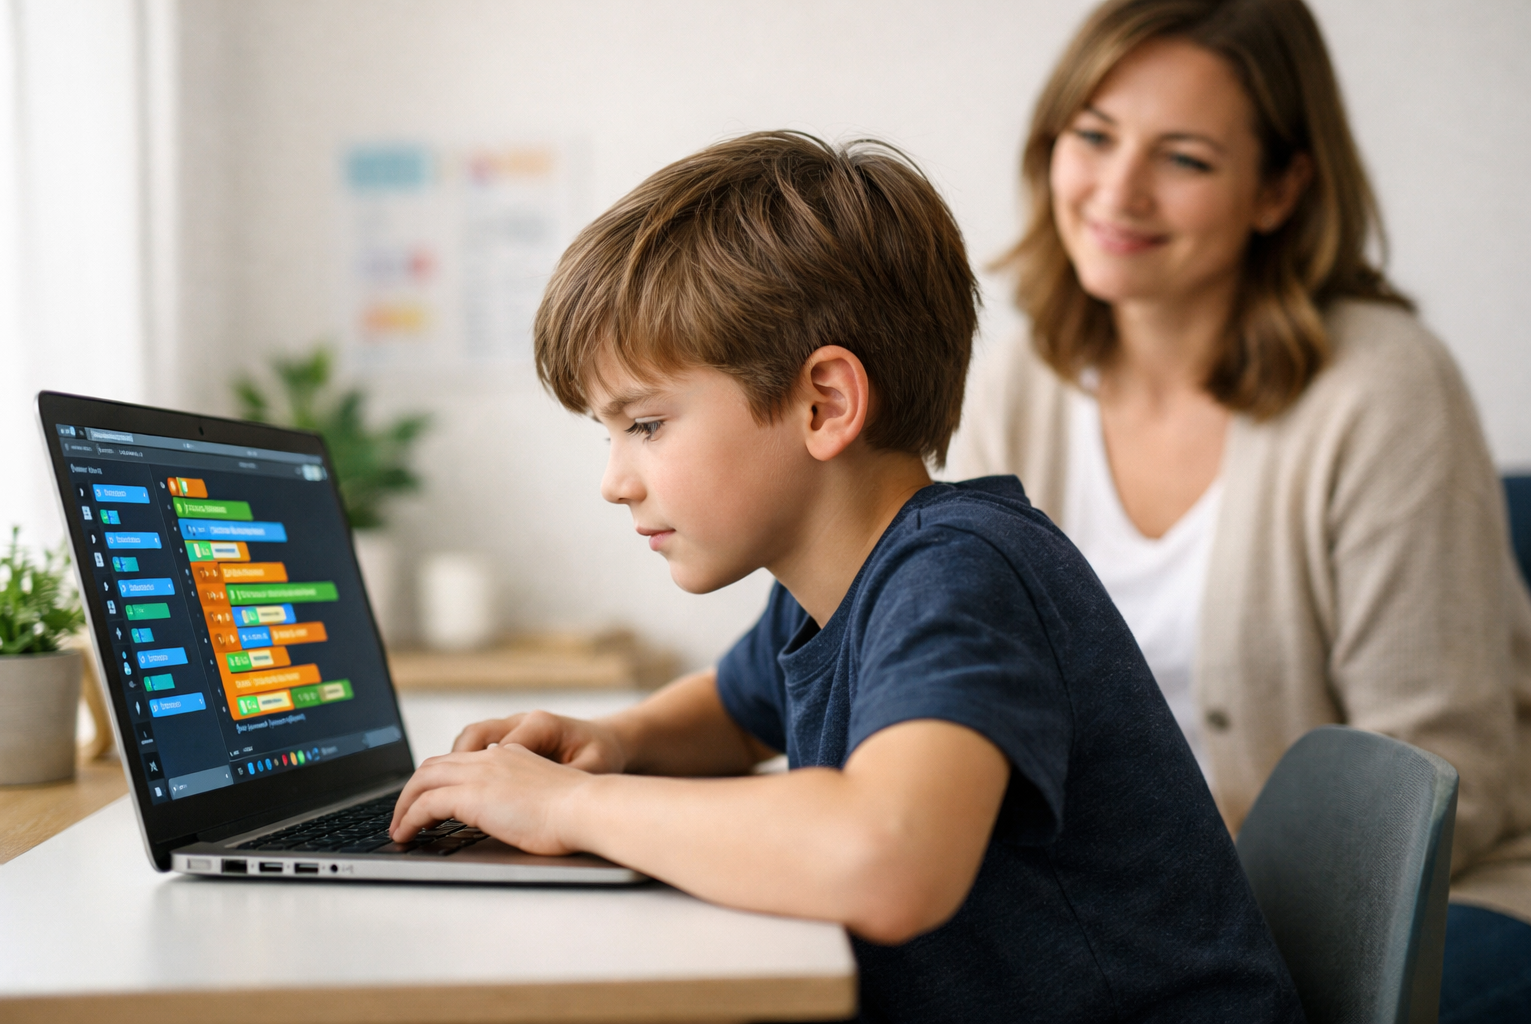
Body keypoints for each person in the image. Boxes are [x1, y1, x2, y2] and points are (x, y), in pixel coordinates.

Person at [387, 131, 1304, 1022]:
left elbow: (887, 855)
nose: (614, 480)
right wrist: (613, 742)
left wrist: (575, 807)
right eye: (609, 432)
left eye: (648, 425)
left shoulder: (959, 574)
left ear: (823, 403)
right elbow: (735, 708)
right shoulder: (831, 581)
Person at [947, 1, 1531, 1019]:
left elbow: (1451, 782)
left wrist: (1123, 853)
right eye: (1092, 135)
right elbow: (964, 674)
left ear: (1280, 189)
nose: (1116, 190)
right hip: (1121, 907)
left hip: (1401, 907)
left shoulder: (1385, 390)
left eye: (1185, 158)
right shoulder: (1018, 384)